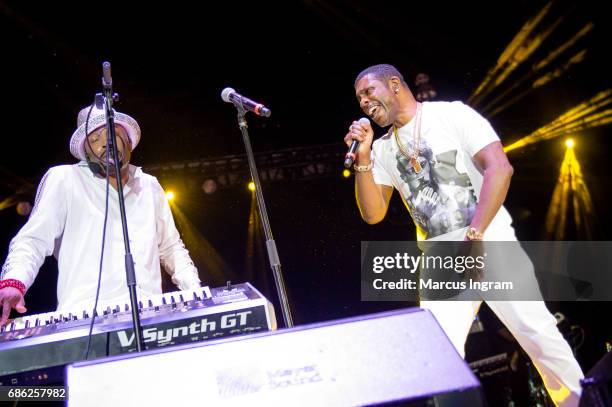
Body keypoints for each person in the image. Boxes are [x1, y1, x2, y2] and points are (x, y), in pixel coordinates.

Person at [344, 64, 583, 406]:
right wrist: (364, 158)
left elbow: (500, 168)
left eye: (369, 92)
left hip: (489, 242)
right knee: (439, 358)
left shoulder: (451, 115)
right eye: (359, 98)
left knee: (539, 336)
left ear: (394, 84)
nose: (364, 103)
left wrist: (475, 234)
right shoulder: (381, 148)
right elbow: (372, 214)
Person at [0, 104, 201, 324]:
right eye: (94, 139)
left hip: (149, 314)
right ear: (86, 151)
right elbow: (32, 240)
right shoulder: (65, 179)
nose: (105, 143)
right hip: (84, 319)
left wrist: (197, 293)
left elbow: (171, 248)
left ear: (129, 141)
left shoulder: (149, 185)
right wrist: (14, 281)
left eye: (112, 134)